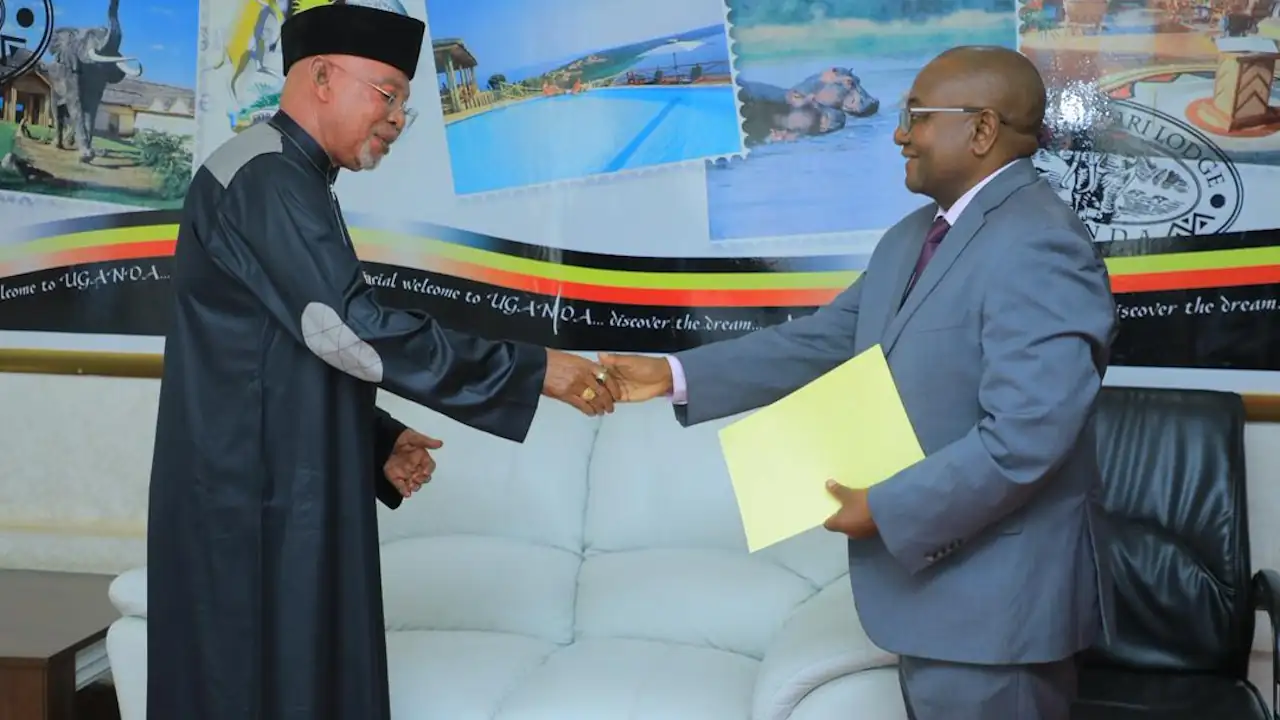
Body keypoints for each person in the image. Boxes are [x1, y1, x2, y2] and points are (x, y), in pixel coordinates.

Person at [598, 45, 1117, 719]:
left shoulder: (1040, 243)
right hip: (938, 605)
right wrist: (670, 374)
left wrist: (886, 507)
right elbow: (825, 340)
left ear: (983, 130)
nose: (899, 133)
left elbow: (1027, 436)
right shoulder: (913, 237)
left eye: (916, 116)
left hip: (998, 621)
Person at [145, 4, 621, 719]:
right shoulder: (266, 178)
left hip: (286, 489)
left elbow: (293, 344)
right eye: (387, 93)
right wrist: (533, 370)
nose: (397, 118)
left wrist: (375, 440)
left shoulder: (295, 178)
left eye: (404, 102)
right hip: (250, 508)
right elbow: (353, 329)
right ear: (324, 78)